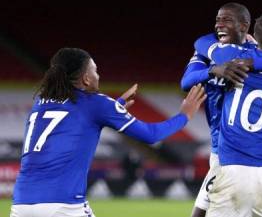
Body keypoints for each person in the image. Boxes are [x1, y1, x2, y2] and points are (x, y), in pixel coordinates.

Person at [10, 47, 206, 217]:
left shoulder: (40, 104)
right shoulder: (97, 103)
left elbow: (74, 120)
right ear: (86, 79)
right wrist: (184, 116)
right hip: (64, 205)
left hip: (21, 204)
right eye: (95, 71)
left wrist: (117, 107)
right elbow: (151, 135)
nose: (99, 75)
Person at [181, 3, 262, 217]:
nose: (219, 25)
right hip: (220, 148)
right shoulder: (204, 53)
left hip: (242, 152)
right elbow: (186, 81)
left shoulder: (252, 52)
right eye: (217, 20)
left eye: (227, 20)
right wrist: (214, 70)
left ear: (244, 27)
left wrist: (250, 61)